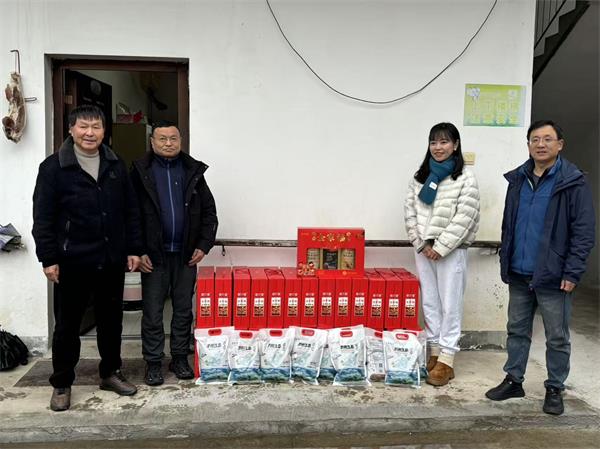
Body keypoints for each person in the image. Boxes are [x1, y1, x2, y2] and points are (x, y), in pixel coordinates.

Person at [32, 105, 142, 412]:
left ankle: (110, 373)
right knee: (67, 326)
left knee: (111, 322)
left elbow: (131, 210)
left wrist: (133, 248)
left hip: (110, 258)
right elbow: (42, 218)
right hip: (72, 260)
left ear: (104, 131)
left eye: (96, 127)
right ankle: (62, 383)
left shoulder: (115, 164)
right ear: (71, 129)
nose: (90, 133)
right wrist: (48, 257)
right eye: (83, 126)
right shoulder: (54, 167)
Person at [485, 120, 595, 415]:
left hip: (554, 276)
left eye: (547, 139)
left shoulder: (572, 182)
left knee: (556, 336)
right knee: (516, 330)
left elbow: (583, 232)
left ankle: (555, 387)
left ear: (560, 144)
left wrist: (572, 271)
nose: (541, 144)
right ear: (528, 145)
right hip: (520, 272)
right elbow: (509, 224)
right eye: (535, 139)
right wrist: (506, 260)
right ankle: (514, 380)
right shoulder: (518, 180)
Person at [131, 121, 218, 386]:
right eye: (162, 139)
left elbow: (209, 212)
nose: (168, 143)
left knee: (183, 310)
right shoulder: (140, 172)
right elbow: (130, 214)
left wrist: (203, 245)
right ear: (152, 142)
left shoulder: (193, 171)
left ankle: (180, 357)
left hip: (185, 256)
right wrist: (137, 250)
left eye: (173, 138)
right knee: (153, 313)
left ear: (180, 141)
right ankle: (153, 362)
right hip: (153, 257)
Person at [404, 122, 480, 386]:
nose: (438, 147)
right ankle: (434, 352)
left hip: (451, 250)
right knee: (430, 302)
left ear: (455, 145)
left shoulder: (465, 178)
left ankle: (447, 359)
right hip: (423, 250)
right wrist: (421, 243)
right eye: (434, 142)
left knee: (450, 304)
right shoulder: (419, 177)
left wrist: (441, 246)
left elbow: (465, 216)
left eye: (444, 142)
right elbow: (410, 212)